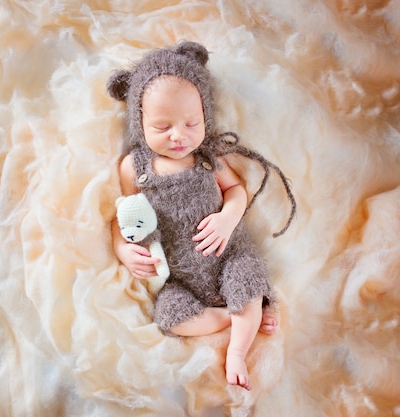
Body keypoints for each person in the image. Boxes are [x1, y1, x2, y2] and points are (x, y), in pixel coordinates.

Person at [107, 41, 296, 391]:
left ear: (205, 117)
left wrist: (227, 218)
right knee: (169, 316)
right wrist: (123, 249)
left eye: (191, 123)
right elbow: (125, 216)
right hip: (180, 280)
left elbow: (237, 190)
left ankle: (237, 351)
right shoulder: (134, 168)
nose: (179, 135)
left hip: (227, 258)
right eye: (163, 127)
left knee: (248, 279)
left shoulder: (208, 160)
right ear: (140, 121)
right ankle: (235, 318)